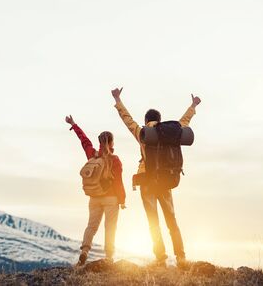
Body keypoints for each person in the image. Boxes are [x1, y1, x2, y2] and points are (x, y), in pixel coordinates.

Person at [111, 87, 201, 267]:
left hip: (147, 181)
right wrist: (193, 105)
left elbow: (128, 120)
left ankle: (160, 258)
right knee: (172, 221)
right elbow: (184, 121)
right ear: (160, 121)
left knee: (154, 222)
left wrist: (118, 100)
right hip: (166, 181)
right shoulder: (170, 133)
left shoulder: (143, 133)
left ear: (146, 121)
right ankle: (181, 257)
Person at [65, 115, 126, 266]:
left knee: (91, 226)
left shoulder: (92, 154)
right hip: (111, 199)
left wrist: (74, 124)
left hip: (94, 197)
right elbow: (118, 181)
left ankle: (84, 251)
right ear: (112, 142)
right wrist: (123, 200)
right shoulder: (115, 159)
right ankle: (109, 257)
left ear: (99, 142)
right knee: (110, 227)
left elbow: (84, 141)